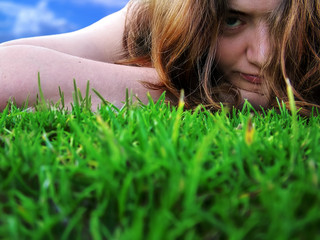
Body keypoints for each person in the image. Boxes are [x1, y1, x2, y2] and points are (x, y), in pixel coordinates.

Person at [0, 0, 319, 115]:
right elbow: (6, 70)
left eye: (284, 26)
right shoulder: (159, 18)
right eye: (232, 20)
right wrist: (213, 97)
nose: (263, 55)